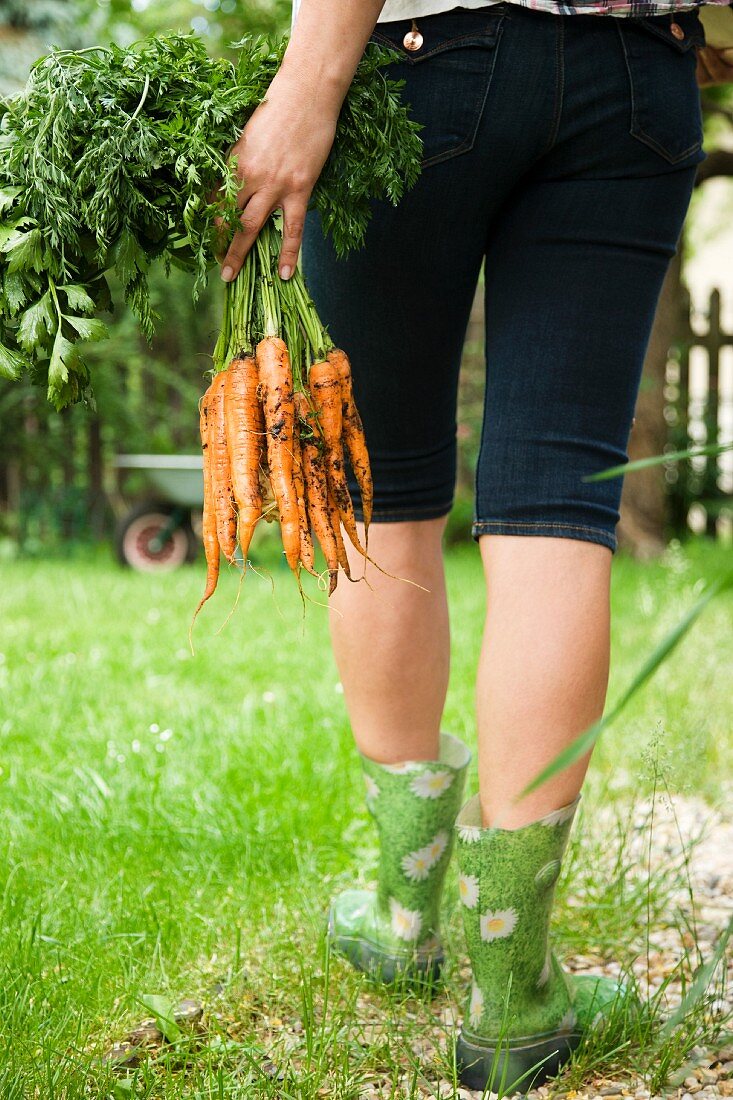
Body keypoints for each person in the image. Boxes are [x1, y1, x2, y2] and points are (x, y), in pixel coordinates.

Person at [218, 2, 733, 1090]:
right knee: (559, 501)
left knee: (385, 484)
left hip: (427, 57)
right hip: (638, 68)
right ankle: (511, 994)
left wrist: (308, 85)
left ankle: (407, 912)